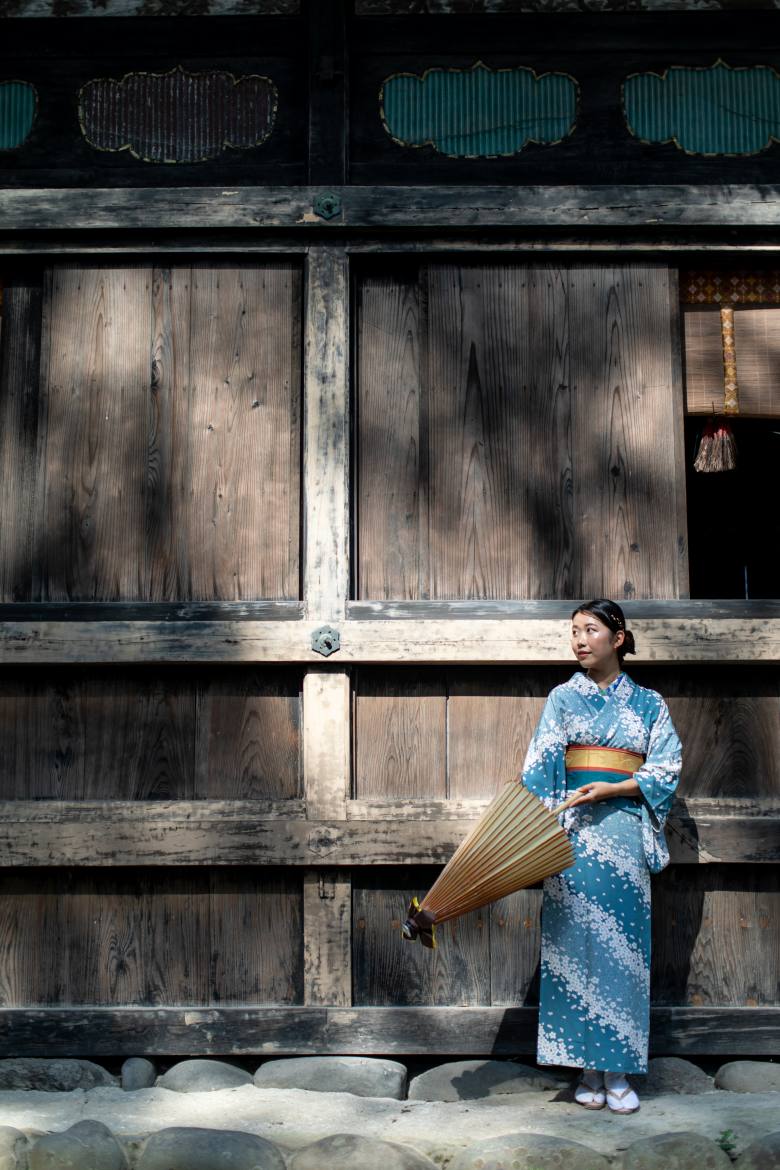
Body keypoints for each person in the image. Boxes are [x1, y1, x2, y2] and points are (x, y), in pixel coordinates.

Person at [520, 599, 682, 1115]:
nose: (580, 640)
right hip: (572, 837)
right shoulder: (562, 699)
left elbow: (667, 767)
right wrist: (539, 827)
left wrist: (614, 790)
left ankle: (618, 1070)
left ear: (619, 638)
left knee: (622, 955)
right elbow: (539, 768)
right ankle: (584, 1068)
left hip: (624, 833)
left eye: (591, 630)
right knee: (573, 951)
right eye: (574, 632)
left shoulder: (649, 703)